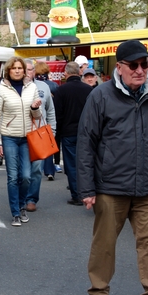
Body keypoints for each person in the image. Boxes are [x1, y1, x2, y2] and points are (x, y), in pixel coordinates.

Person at [77, 40, 148, 295]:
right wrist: (87, 188)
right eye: (133, 65)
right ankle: (99, 292)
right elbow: (86, 144)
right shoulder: (100, 96)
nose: (139, 70)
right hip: (111, 185)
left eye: (144, 64)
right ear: (118, 68)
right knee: (105, 243)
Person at [0, 56, 41, 226]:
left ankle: (21, 206)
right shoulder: (1, 89)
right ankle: (15, 212)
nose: (18, 71)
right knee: (13, 177)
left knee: (26, 176)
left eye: (20, 68)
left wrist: (35, 108)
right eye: (14, 68)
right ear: (9, 70)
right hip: (9, 137)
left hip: (27, 137)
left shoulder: (32, 87)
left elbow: (38, 116)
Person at [54, 61, 93, 206]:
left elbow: (58, 114)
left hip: (68, 131)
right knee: (87, 162)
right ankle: (88, 192)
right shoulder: (88, 90)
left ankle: (76, 194)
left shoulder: (61, 90)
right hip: (86, 131)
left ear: (66, 73)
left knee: (71, 164)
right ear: (79, 72)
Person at [24, 59, 56, 212]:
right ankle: (21, 195)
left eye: (30, 69)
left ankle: (31, 199)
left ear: (34, 71)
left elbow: (50, 111)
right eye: (25, 69)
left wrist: (52, 132)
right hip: (20, 134)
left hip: (39, 134)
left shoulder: (43, 87)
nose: (27, 72)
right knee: (22, 171)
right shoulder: (15, 87)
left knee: (36, 170)